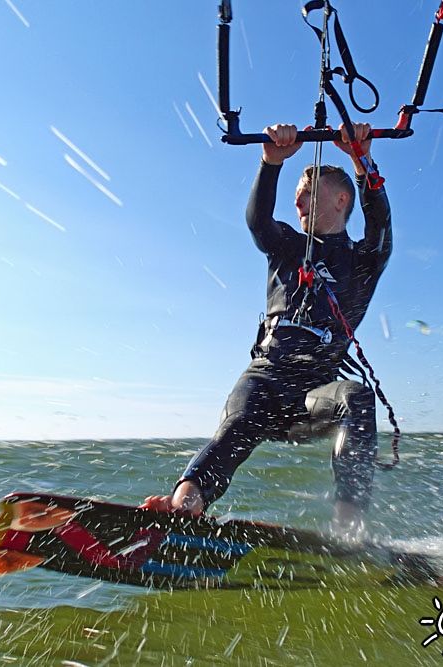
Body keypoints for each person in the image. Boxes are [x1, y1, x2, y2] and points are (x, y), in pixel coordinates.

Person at [142, 121, 392, 530]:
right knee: (237, 427)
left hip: (312, 394)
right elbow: (258, 220)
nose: (298, 204)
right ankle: (184, 506)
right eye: (296, 198)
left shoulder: (362, 263)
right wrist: (271, 162)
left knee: (357, 398)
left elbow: (381, 229)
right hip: (265, 378)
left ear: (342, 198)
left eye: (307, 194)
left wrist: (361, 159)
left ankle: (349, 531)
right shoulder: (287, 246)